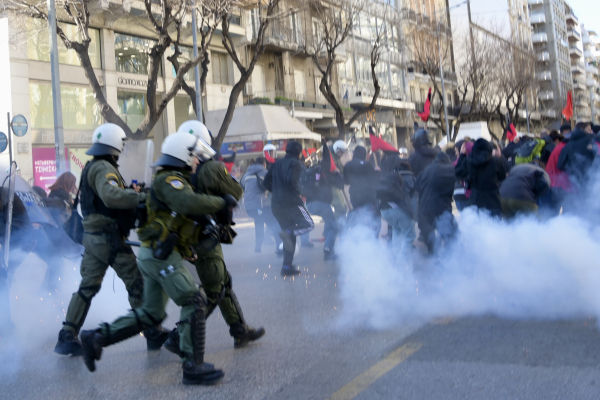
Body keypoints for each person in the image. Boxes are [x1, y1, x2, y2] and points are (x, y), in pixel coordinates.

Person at [79, 131, 229, 385]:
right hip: (160, 255)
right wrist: (221, 201)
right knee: (194, 299)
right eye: (194, 157)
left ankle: (96, 338)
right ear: (184, 155)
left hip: (156, 253)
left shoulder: (175, 179)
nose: (197, 162)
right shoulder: (170, 180)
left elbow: (182, 215)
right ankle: (192, 365)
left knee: (151, 314)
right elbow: (189, 202)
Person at [55, 123, 167, 357]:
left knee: (88, 286)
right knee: (137, 283)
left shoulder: (92, 166)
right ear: (114, 144)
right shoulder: (104, 167)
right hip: (108, 239)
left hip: (94, 238)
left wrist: (130, 189)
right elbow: (111, 195)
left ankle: (67, 335)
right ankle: (152, 331)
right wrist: (138, 195)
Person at [165, 120, 265, 351]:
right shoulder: (211, 167)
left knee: (223, 283)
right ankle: (179, 336)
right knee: (214, 290)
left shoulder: (177, 168)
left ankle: (240, 330)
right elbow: (236, 191)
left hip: (186, 236)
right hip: (207, 235)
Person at [264, 141, 315, 276]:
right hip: (292, 202)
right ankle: (288, 231)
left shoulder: (276, 163)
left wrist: (275, 190)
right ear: (298, 152)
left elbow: (265, 182)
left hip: (276, 204)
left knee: (289, 239)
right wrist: (298, 193)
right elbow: (291, 181)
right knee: (309, 224)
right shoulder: (296, 163)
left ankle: (286, 267)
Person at [415, 152, 457, 254]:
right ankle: (450, 260)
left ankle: (433, 256)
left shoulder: (426, 170)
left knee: (430, 234)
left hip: (424, 208)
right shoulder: (449, 169)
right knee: (452, 236)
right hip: (440, 208)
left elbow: (416, 186)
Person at [304, 160, 344, 261]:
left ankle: (328, 245)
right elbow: (341, 184)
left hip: (310, 204)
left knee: (329, 222)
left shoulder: (313, 172)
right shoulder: (326, 174)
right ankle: (328, 250)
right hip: (321, 204)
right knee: (333, 226)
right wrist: (337, 173)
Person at [241, 157, 282, 255]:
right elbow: (274, 185)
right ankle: (280, 248)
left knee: (259, 223)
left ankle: (258, 247)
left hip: (249, 207)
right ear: (264, 164)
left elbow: (242, 186)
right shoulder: (265, 173)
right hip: (260, 205)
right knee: (275, 225)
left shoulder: (246, 174)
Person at [455, 138, 506, 217]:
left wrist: (462, 155)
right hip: (493, 202)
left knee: (478, 228)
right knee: (495, 227)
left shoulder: (468, 161)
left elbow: (458, 173)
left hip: (475, 202)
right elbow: (502, 177)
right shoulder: (495, 161)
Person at [376, 157, 416, 259]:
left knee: (397, 230)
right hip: (398, 209)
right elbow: (410, 195)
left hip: (384, 210)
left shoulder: (387, 177)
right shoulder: (407, 176)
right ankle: (401, 261)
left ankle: (396, 255)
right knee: (409, 235)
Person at [343, 145, 381, 236]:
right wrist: (377, 172)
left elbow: (346, 181)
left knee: (358, 216)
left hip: (355, 196)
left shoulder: (347, 165)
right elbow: (374, 180)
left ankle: (358, 236)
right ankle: (372, 237)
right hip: (368, 196)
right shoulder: (367, 164)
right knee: (373, 217)